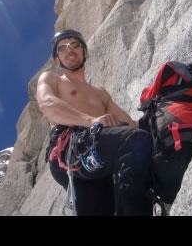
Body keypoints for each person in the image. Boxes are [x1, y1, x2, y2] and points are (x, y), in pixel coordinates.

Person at [36, 29, 153, 216]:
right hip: (69, 144)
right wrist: (91, 121)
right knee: (134, 141)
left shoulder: (100, 93)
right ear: (58, 60)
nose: (69, 50)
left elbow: (129, 125)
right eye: (62, 48)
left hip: (96, 149)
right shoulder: (52, 79)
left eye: (74, 44)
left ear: (85, 52)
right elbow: (47, 104)